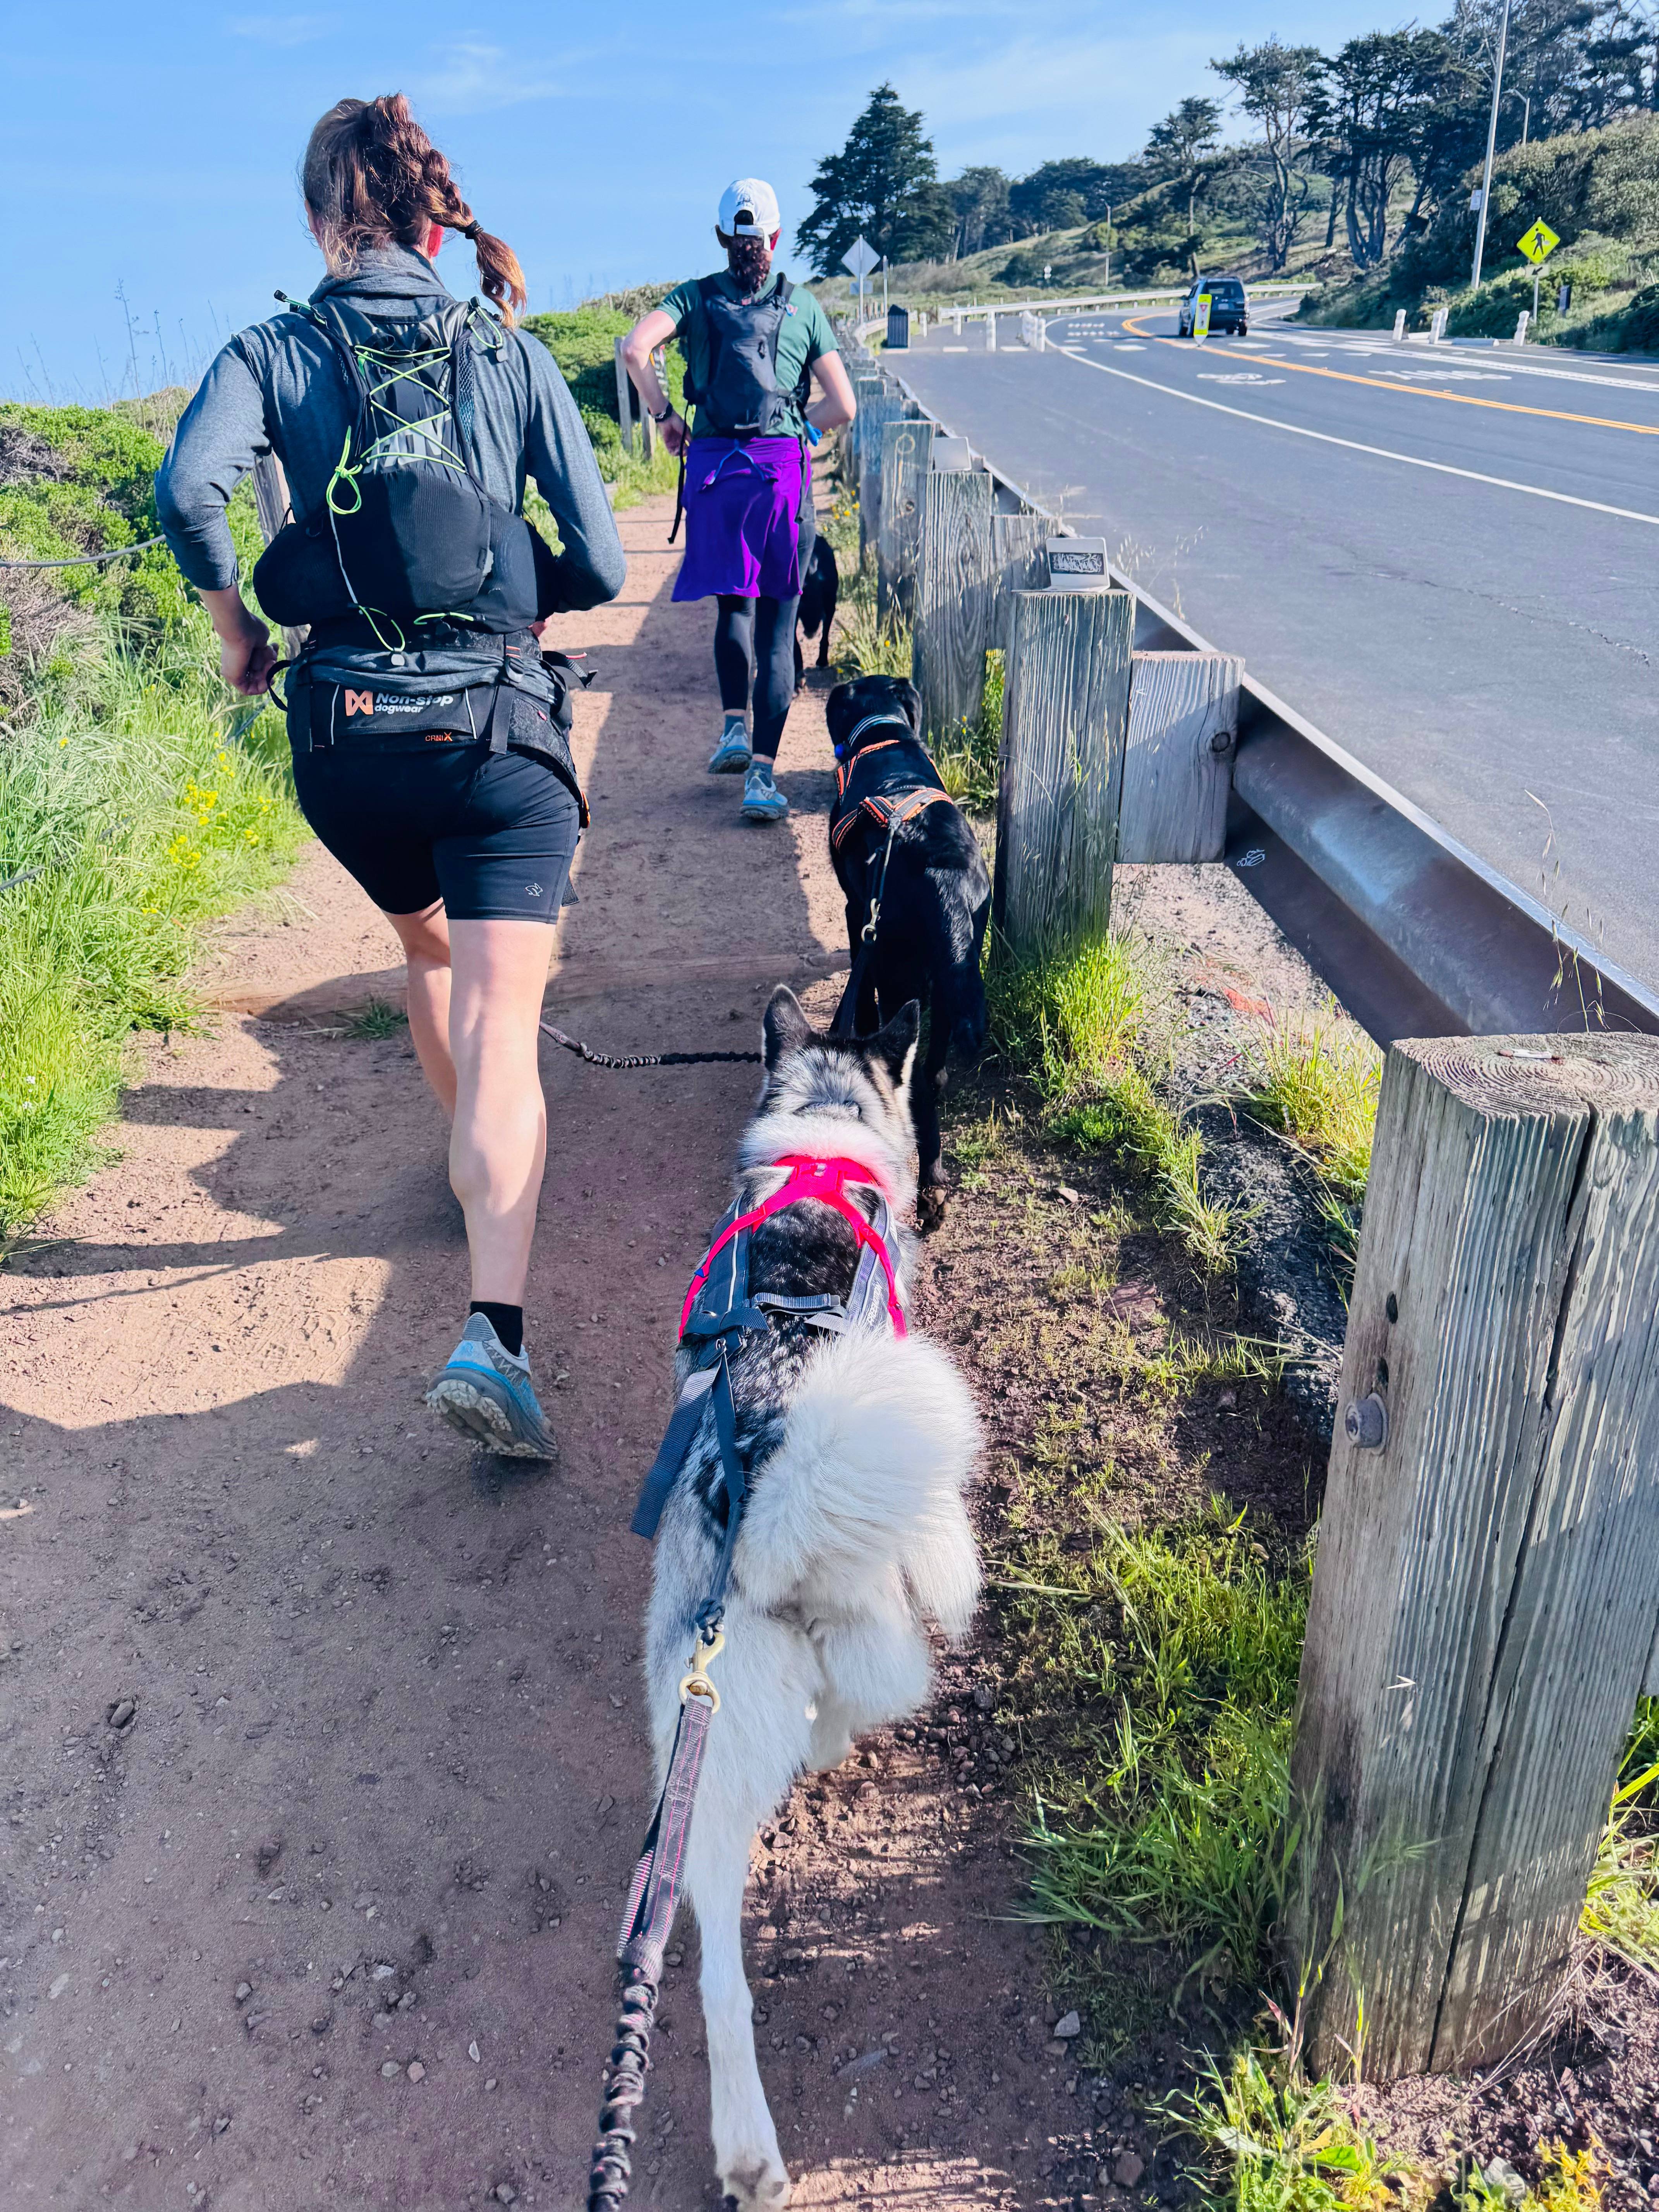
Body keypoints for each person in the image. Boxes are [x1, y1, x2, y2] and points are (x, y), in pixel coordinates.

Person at [155, 93, 627, 1460]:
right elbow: (595, 563)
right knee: (502, 1017)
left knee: (425, 947)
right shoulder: (508, 348)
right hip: (496, 741)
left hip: (347, 741)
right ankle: (497, 1329)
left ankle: (466, 1156)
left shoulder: (274, 347)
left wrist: (239, 626)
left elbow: (189, 492)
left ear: (320, 220)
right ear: (436, 216)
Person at [622, 179, 855, 823]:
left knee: (735, 606)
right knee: (780, 629)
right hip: (780, 475)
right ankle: (761, 775)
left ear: (724, 238)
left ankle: (731, 725)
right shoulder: (801, 304)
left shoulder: (693, 299)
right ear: (775, 240)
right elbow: (845, 405)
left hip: (714, 469)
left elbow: (634, 348)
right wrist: (804, 429)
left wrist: (667, 415)